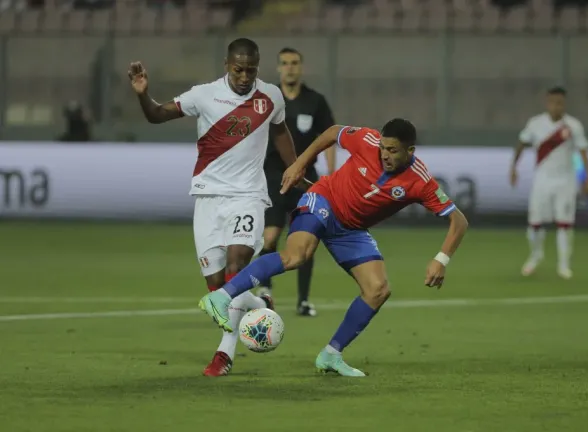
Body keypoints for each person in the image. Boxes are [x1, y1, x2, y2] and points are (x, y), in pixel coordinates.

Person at [198, 119, 469, 377]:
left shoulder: (419, 181)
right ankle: (221, 296)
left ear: (410, 151)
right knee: (297, 255)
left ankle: (330, 354)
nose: (385, 155)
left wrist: (441, 259)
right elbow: (332, 132)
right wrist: (298, 165)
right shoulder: (366, 139)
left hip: (350, 229)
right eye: (383, 148)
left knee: (378, 290)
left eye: (393, 150)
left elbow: (459, 221)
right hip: (324, 199)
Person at [128, 38, 299, 377]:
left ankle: (224, 355)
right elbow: (157, 115)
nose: (244, 77)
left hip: (248, 196)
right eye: (238, 70)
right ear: (226, 65)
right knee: (217, 287)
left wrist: (294, 168)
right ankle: (257, 303)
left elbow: (281, 132)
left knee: (237, 266)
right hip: (208, 198)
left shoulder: (270, 97)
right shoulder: (204, 95)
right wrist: (142, 93)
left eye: (251, 70)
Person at [258, 47, 336, 317]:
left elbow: (329, 137)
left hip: (306, 178)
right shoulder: (268, 100)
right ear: (279, 68)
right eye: (285, 63)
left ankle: (303, 300)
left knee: (306, 240)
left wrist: (330, 172)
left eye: (294, 63)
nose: (290, 67)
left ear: (301, 67)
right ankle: (264, 292)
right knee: (270, 236)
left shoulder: (315, 101)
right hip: (273, 176)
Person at [510, 86, 588, 280]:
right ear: (547, 103)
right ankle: (535, 255)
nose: (556, 106)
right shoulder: (535, 124)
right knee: (535, 223)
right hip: (542, 180)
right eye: (553, 102)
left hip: (566, 181)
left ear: (564, 104)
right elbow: (521, 144)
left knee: (564, 223)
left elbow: (584, 153)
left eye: (560, 103)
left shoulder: (573, 126)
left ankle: (564, 265)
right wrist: (513, 167)